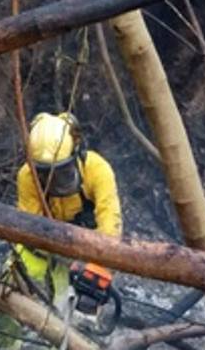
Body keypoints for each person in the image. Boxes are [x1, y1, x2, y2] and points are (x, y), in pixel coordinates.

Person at [11, 111, 122, 306]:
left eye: (61, 171)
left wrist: (98, 263)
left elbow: (110, 223)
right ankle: (1, 334)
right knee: (13, 279)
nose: (53, 180)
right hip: (46, 243)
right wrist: (62, 257)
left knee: (84, 298)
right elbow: (30, 229)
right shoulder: (27, 176)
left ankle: (79, 330)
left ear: (76, 152)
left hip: (90, 246)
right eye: (45, 173)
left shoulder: (96, 170)